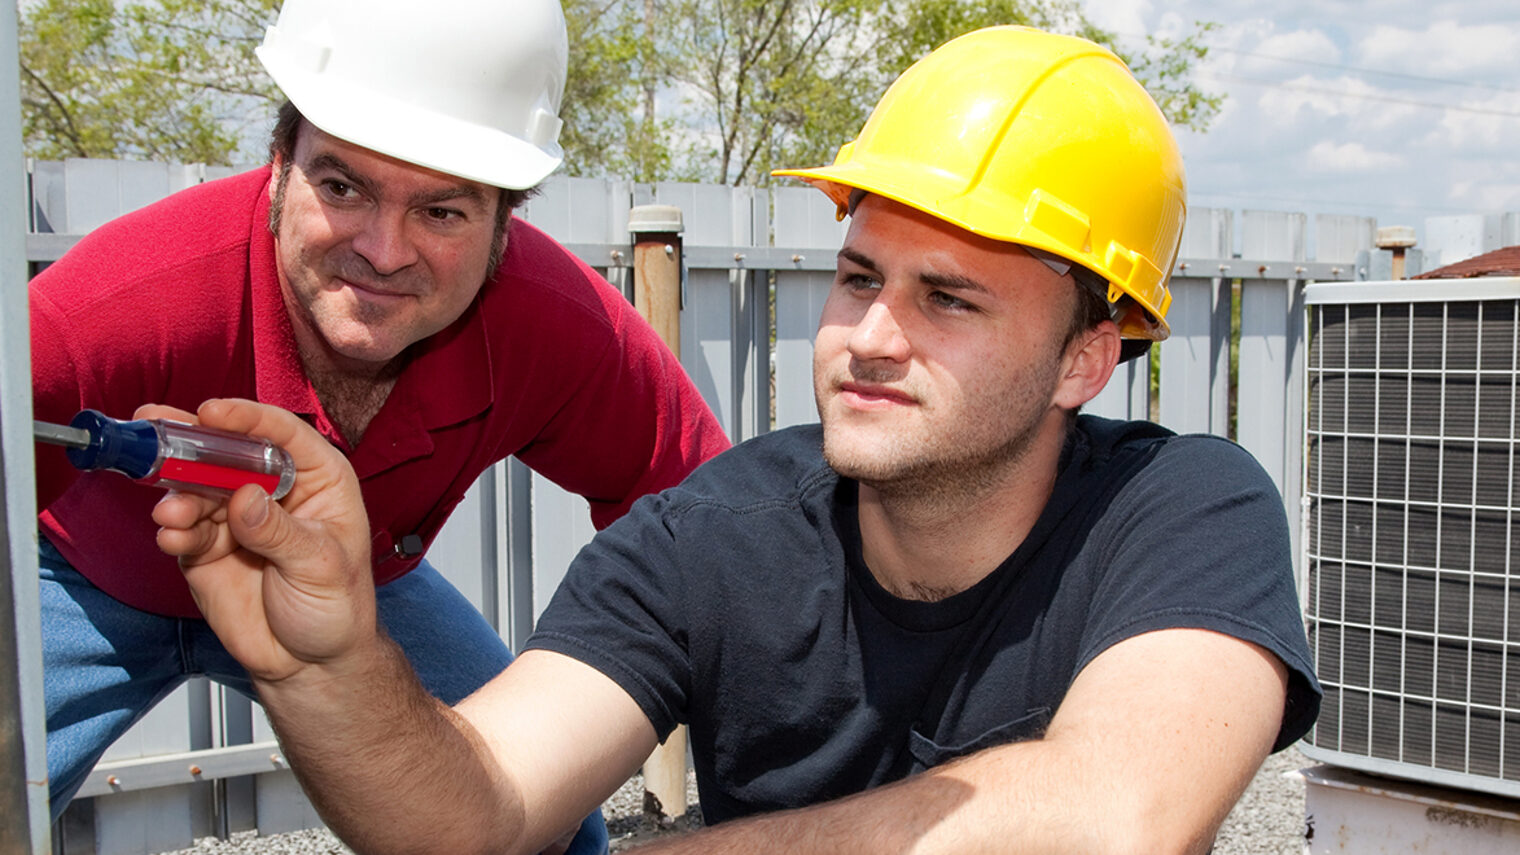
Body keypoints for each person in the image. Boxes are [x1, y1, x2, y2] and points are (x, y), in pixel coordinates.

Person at [152, 26, 1321, 854]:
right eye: (858, 276)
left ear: (1082, 359)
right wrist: (322, 667)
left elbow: (1118, 819)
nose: (867, 335)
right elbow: (475, 814)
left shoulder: (1179, 507)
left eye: (947, 300)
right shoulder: (710, 536)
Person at [28, 0, 728, 850]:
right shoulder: (120, 302)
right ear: (279, 163)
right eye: (343, 186)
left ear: (509, 218)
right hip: (81, 576)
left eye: (442, 211)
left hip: (353, 579)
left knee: (542, 830)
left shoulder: (554, 327)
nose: (386, 250)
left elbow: (716, 531)